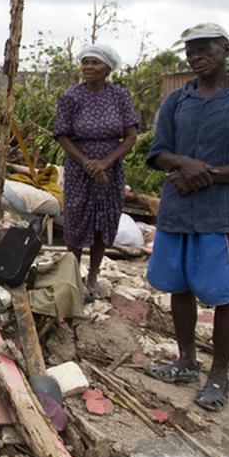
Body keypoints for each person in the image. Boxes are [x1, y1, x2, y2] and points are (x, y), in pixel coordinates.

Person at [144, 23, 229, 412]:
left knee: (224, 294)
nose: (195, 57)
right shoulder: (177, 101)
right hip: (178, 209)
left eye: (204, 49)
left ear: (225, 50)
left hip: (223, 213)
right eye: (190, 51)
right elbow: (158, 153)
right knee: (179, 287)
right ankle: (186, 361)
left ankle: (219, 374)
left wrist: (208, 174)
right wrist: (183, 163)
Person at [54, 43, 139, 302]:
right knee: (77, 220)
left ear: (108, 68)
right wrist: (88, 163)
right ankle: (73, 276)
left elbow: (131, 135)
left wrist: (105, 163)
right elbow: (62, 134)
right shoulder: (71, 97)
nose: (89, 67)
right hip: (79, 168)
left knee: (104, 221)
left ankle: (93, 275)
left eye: (95, 62)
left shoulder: (119, 96)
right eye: (85, 62)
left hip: (110, 168)